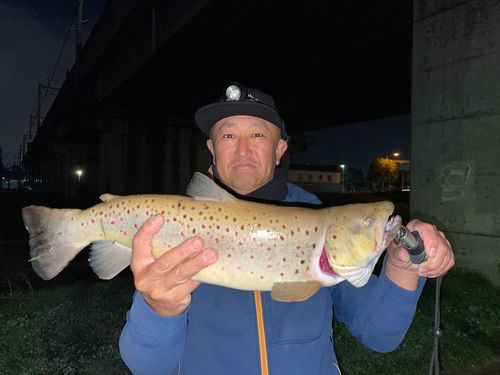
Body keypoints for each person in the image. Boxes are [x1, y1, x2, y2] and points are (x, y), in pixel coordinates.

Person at [119, 83, 454, 375]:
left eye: (258, 133)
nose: (243, 148)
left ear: (280, 149)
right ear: (212, 149)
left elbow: (380, 334)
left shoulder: (324, 226)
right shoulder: (178, 226)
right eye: (228, 134)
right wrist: (157, 308)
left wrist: (402, 266)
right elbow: (148, 366)